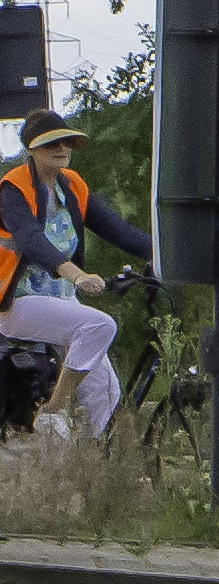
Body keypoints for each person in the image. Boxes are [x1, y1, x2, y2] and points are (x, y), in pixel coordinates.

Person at [0, 112, 155, 437]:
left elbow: (116, 229)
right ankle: (53, 409)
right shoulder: (13, 188)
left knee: (104, 392)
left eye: (66, 141)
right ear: (32, 149)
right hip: (18, 302)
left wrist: (167, 255)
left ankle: (100, 460)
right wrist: (76, 275)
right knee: (100, 325)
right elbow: (31, 239)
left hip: (61, 300)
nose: (61, 148)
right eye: (51, 143)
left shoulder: (71, 185)